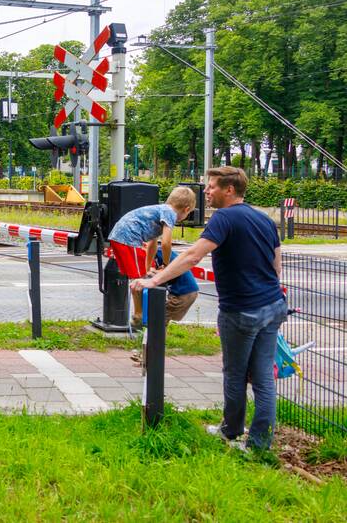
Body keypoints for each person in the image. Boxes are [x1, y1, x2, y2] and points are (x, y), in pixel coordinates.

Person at [131, 166, 286, 451]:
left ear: (229, 190)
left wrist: (156, 280)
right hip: (272, 305)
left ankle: (230, 431)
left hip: (241, 309)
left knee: (236, 373)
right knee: (263, 377)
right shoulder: (264, 220)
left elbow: (192, 255)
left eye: (211, 186)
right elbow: (276, 265)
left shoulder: (224, 218)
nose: (206, 191)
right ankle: (259, 444)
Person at [107, 186, 197, 327]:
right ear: (186, 209)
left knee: (139, 276)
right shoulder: (170, 213)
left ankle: (139, 314)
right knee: (139, 279)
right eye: (188, 213)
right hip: (129, 238)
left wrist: (147, 267)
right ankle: (139, 315)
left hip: (119, 236)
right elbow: (166, 243)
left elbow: (152, 245)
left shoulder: (158, 211)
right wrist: (166, 266)